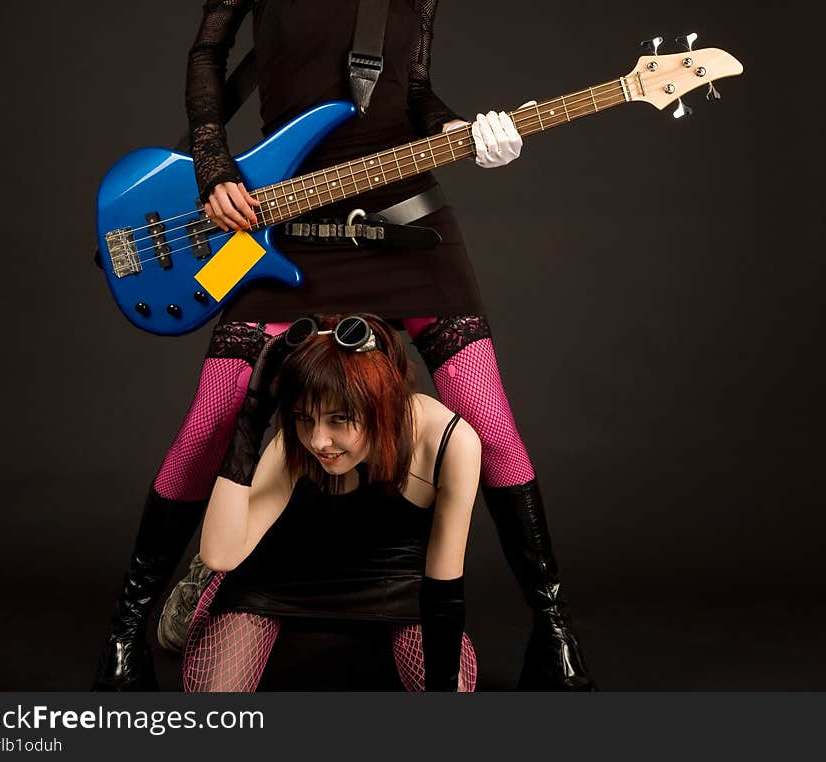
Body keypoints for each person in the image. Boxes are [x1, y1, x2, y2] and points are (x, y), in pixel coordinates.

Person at [93, 0, 594, 691]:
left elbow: (411, 88)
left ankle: (554, 632)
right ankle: (126, 632)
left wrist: (462, 131)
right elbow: (207, 53)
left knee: (494, 425)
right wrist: (214, 166)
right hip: (281, 215)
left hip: (405, 217)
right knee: (214, 418)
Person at [182, 314, 479, 691]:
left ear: (381, 405)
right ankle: (195, 590)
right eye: (305, 418)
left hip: (396, 583)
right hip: (280, 579)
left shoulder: (449, 442)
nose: (319, 441)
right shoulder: (293, 442)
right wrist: (252, 418)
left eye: (340, 419)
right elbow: (221, 555)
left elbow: (445, 588)